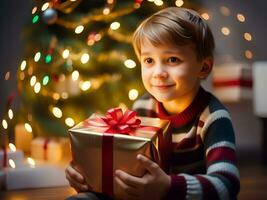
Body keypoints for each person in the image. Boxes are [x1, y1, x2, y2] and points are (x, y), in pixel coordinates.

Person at [65, 7, 240, 200]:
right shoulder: (142, 107)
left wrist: (168, 187)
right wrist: (86, 174)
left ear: (204, 67)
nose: (158, 72)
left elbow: (226, 185)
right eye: (149, 60)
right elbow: (126, 167)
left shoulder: (213, 117)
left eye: (173, 59)